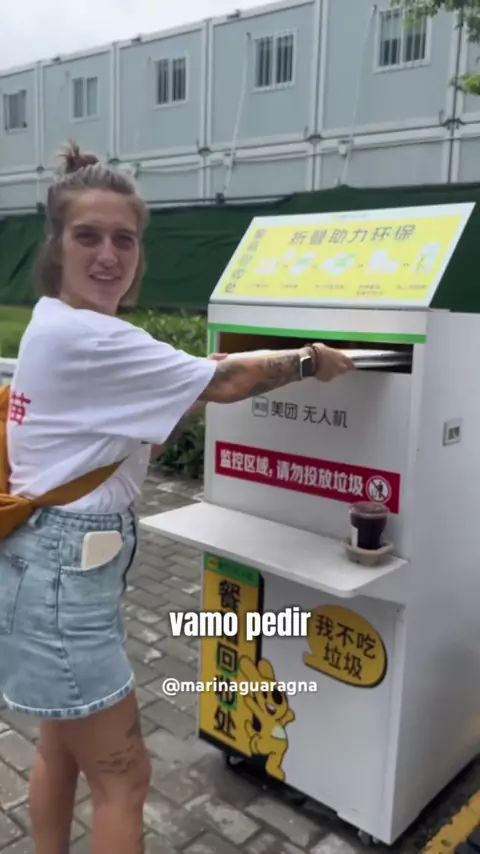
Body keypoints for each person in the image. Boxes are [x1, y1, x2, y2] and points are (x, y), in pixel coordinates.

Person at [0, 140, 354, 854]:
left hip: (50, 569)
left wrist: (189, 383)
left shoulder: (60, 322)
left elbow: (138, 431)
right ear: (56, 245)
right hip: (66, 579)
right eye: (88, 237)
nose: (109, 255)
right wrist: (310, 360)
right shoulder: (92, 338)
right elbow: (227, 382)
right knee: (125, 777)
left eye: (124, 239)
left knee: (62, 749)